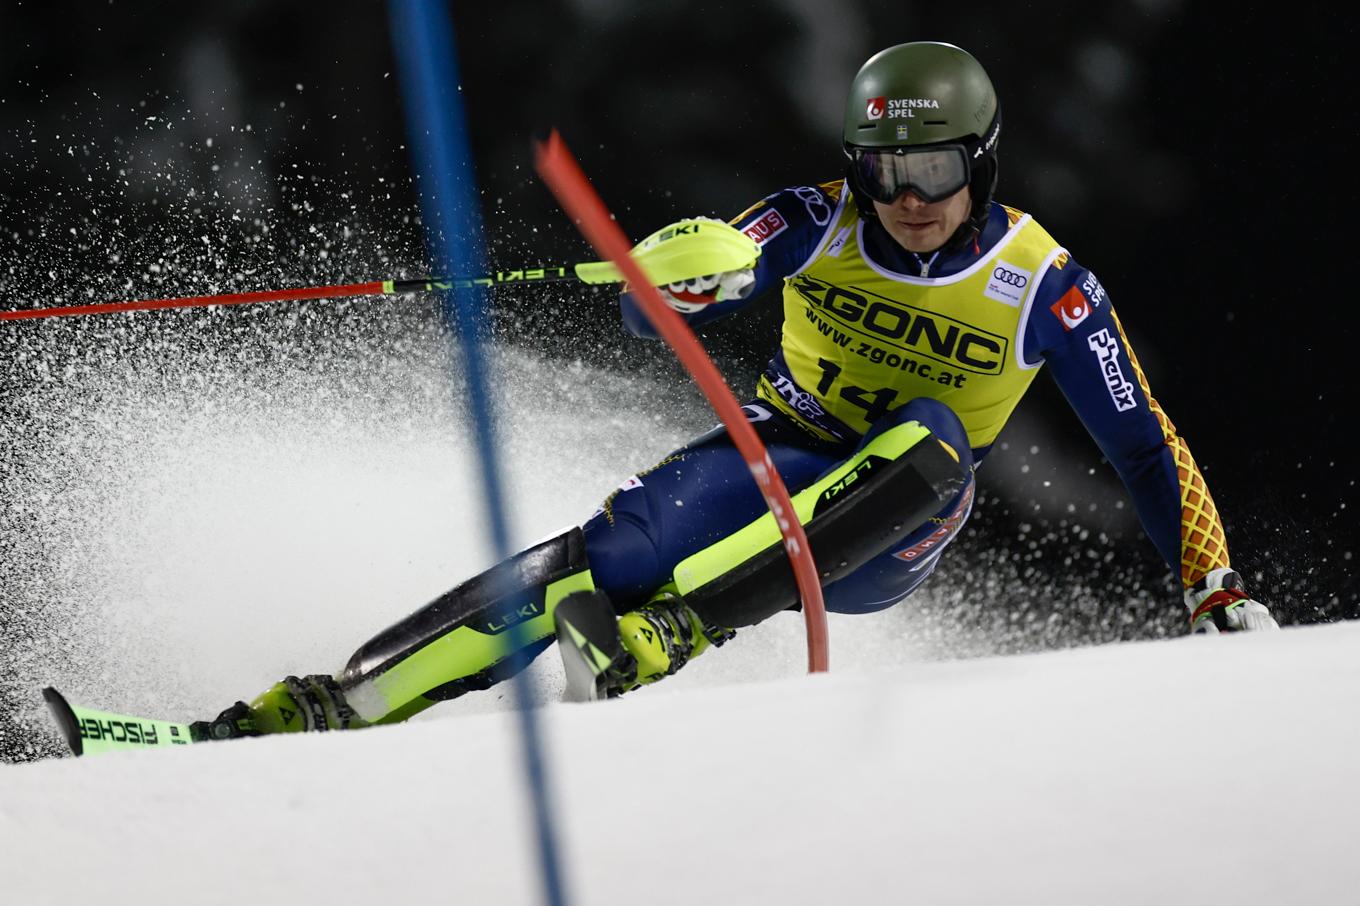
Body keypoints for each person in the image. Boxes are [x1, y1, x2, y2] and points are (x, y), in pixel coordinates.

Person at [195, 41, 1278, 739]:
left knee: (932, 432)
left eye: (934, 173)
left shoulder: (1044, 283)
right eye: (883, 171)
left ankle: (677, 636)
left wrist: (1211, 585)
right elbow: (663, 300)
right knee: (608, 553)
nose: (906, 199)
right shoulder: (818, 218)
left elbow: (1145, 444)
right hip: (781, 451)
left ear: (980, 163)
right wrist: (679, 273)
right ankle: (337, 702)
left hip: (891, 521)